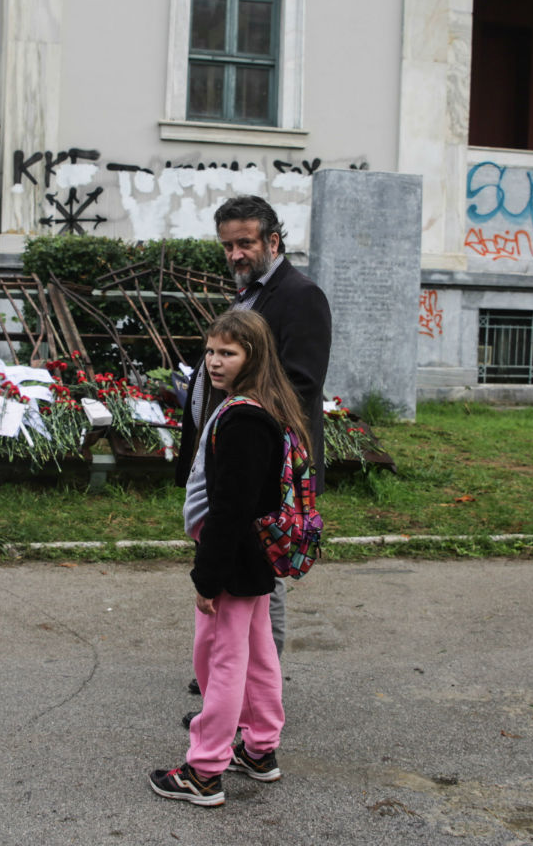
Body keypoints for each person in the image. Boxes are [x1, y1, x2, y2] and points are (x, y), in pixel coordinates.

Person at [149, 309, 312, 807]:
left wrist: (207, 575)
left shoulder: (242, 418)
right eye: (211, 351)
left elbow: (230, 507)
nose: (214, 362)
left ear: (252, 356)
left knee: (219, 662)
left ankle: (204, 770)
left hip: (232, 557)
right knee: (259, 655)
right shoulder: (263, 407)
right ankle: (259, 749)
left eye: (228, 353)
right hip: (255, 555)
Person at [175, 195, 331, 709]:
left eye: (245, 243)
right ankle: (231, 680)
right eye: (227, 246)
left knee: (260, 585)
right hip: (231, 463)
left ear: (273, 241)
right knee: (234, 577)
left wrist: (242, 437)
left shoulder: (300, 296)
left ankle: (248, 700)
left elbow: (300, 385)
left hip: (261, 470)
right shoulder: (249, 296)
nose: (235, 255)